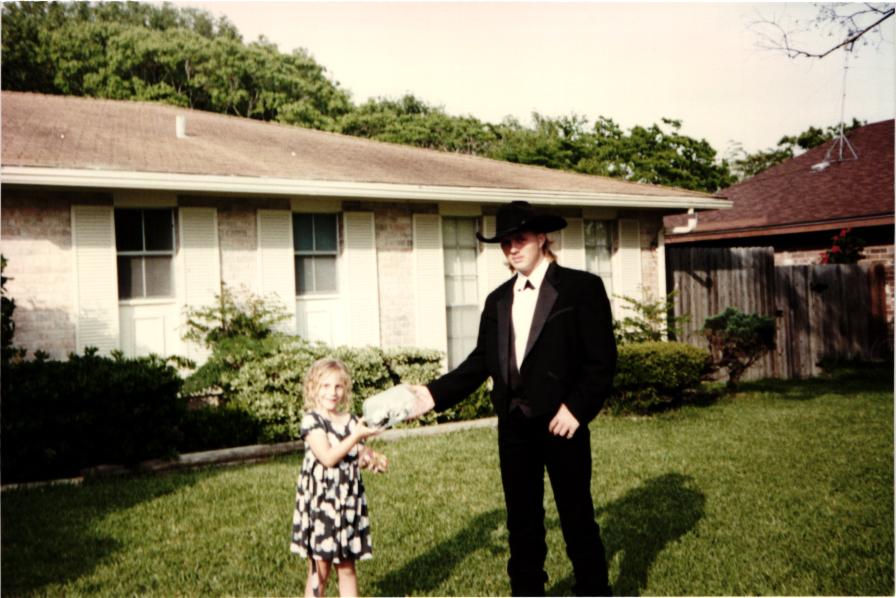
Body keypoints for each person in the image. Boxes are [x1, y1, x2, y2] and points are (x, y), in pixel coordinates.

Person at [410, 201, 618, 596]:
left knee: (577, 517)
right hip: (515, 426)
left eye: (519, 239)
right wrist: (430, 395)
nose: (512, 249)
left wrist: (576, 409)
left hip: (562, 424)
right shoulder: (498, 300)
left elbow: (602, 361)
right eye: (505, 243)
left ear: (541, 237)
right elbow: (479, 362)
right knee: (522, 522)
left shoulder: (581, 288)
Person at [290, 357, 388, 598]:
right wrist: (356, 437)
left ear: (345, 389)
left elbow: (357, 453)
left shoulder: (351, 421)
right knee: (319, 570)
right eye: (325, 386)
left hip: (347, 504)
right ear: (313, 387)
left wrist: (372, 459)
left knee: (347, 568)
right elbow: (328, 457)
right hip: (321, 506)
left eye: (338, 386)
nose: (332, 392)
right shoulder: (312, 421)